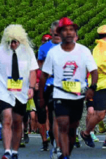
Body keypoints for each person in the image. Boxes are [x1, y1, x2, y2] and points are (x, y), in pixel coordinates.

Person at [41, 17, 98, 159]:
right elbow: (43, 75)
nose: (68, 33)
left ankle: (67, 151)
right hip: (59, 93)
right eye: (65, 30)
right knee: (62, 122)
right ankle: (63, 153)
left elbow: (94, 71)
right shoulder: (52, 53)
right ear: (60, 33)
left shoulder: (83, 51)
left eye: (71, 30)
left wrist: (92, 87)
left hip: (78, 95)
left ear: (75, 33)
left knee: (72, 128)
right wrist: (40, 96)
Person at [0, 25, 39, 159]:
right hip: (4, 89)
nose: (13, 44)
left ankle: (15, 151)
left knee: (17, 121)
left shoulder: (28, 52)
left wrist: (31, 87)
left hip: (21, 91)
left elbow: (33, 71)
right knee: (6, 118)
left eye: (15, 41)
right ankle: (7, 151)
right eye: (10, 41)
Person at [81, 25, 106, 150]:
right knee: (100, 114)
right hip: (101, 84)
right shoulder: (99, 48)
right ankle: (86, 133)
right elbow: (97, 65)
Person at [37, 21, 62, 153]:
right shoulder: (44, 48)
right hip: (51, 85)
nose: (58, 35)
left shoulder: (70, 46)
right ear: (51, 32)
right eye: (56, 33)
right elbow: (39, 62)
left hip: (67, 86)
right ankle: (57, 144)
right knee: (55, 116)